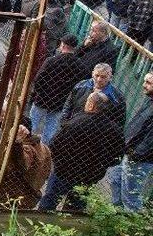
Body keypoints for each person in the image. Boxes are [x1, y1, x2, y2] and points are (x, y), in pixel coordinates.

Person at [38, 91, 124, 211]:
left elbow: (54, 144)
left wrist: (60, 161)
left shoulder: (75, 123)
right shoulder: (115, 131)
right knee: (76, 206)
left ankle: (41, 223)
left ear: (91, 105)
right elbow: (117, 156)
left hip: (64, 171)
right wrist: (101, 166)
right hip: (90, 176)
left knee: (50, 200)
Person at [30, 34, 85, 145]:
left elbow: (39, 79)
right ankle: (44, 149)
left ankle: (26, 144)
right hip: (60, 100)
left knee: (33, 122)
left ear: (63, 45)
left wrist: (38, 92)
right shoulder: (79, 65)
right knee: (51, 127)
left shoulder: (51, 61)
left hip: (43, 97)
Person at [111, 72, 153, 212]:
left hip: (140, 158)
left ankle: (132, 227)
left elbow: (149, 140)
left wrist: (134, 154)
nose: (144, 85)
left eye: (148, 83)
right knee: (116, 178)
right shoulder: (149, 100)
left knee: (131, 196)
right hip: (131, 152)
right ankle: (119, 215)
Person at [0, 121, 52, 209]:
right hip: (31, 195)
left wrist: (15, 143)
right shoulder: (44, 147)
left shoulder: (26, 149)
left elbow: (22, 165)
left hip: (13, 198)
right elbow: (48, 172)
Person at [62, 63, 126, 128]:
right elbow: (68, 106)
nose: (99, 79)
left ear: (110, 77)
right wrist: (64, 123)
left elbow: (120, 121)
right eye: (97, 75)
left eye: (103, 77)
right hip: (75, 125)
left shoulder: (117, 96)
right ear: (92, 74)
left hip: (99, 130)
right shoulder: (81, 85)